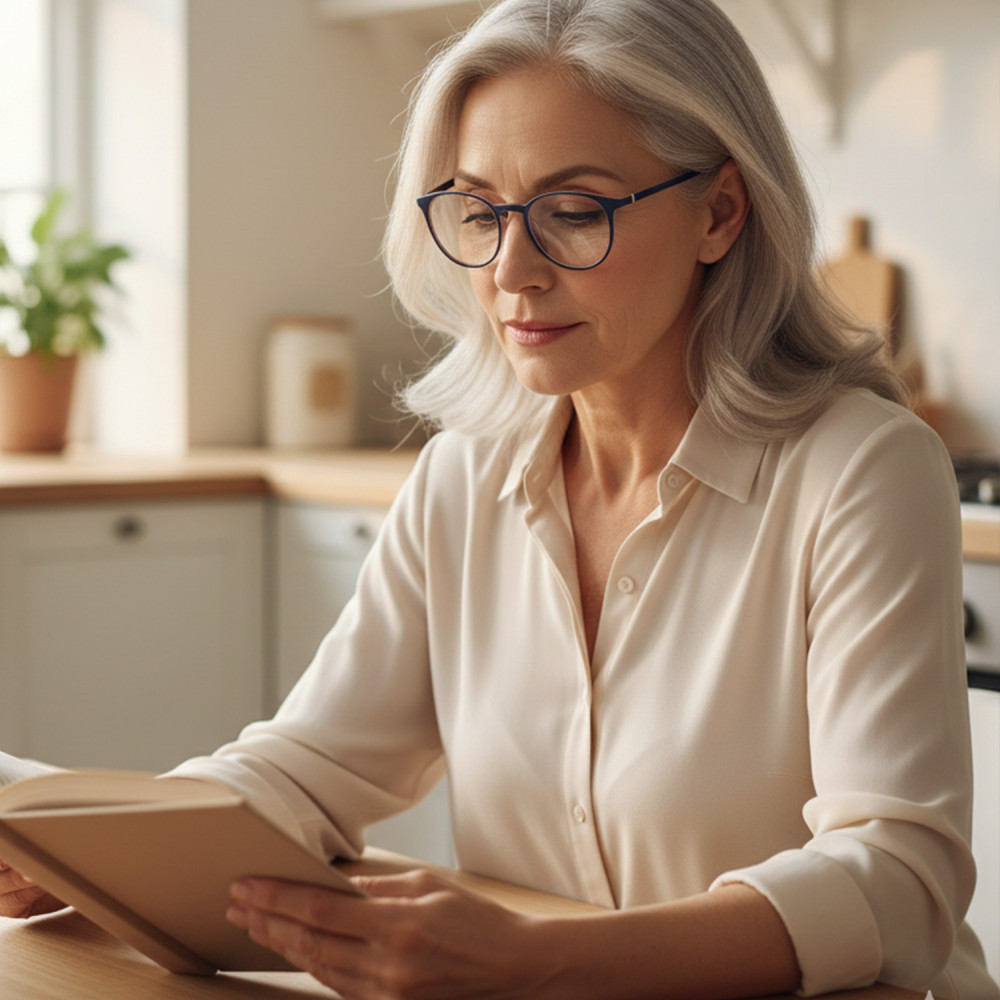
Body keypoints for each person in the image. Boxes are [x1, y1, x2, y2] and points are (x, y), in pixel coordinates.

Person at [3, 0, 998, 996]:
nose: (512, 271)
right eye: (480, 213)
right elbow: (307, 766)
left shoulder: (862, 470)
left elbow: (897, 879)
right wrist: (92, 853)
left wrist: (538, 961)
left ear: (720, 212)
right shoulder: (463, 477)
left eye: (575, 212)